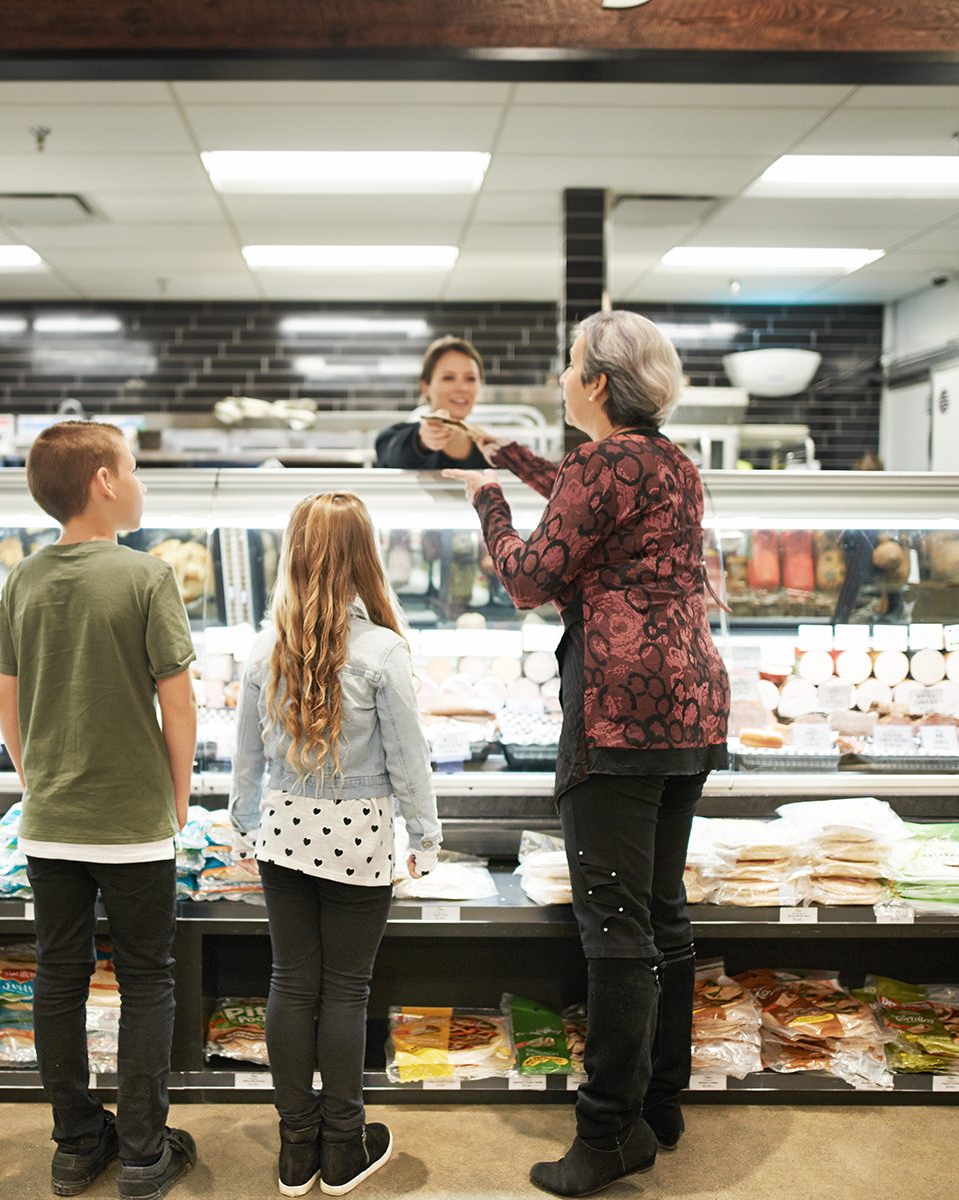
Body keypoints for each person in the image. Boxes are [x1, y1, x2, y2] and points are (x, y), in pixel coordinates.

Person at [444, 310, 729, 1199]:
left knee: (616, 929)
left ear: (597, 384)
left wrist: (486, 501)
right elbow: (588, 497)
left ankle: (607, 1135)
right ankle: (661, 1104)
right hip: (691, 705)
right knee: (662, 914)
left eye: (571, 366)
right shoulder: (670, 460)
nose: (563, 379)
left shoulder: (604, 464)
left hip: (619, 710)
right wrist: (513, 457)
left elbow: (530, 577)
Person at [0, 420, 199, 1200]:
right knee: (147, 980)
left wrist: (33, 777)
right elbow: (177, 706)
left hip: (52, 821)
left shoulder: (23, 579)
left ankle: (77, 1144)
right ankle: (145, 1152)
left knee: (58, 978)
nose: (141, 481)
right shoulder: (146, 576)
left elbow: (5, 698)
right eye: (135, 467)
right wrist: (176, 796)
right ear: (104, 483)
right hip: (133, 823)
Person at [230, 492, 442, 1198]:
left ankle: (297, 1151)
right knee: (346, 991)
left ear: (293, 553)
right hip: (359, 840)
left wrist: (242, 823)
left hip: (283, 834)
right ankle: (343, 1147)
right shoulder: (384, 651)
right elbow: (408, 760)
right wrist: (426, 837)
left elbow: (246, 759)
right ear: (363, 555)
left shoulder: (266, 649)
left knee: (291, 981)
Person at [375, 335, 491, 469]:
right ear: (426, 387)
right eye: (448, 378)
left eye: (470, 379)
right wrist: (422, 443)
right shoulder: (392, 437)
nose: (462, 388)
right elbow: (394, 455)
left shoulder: (488, 451)